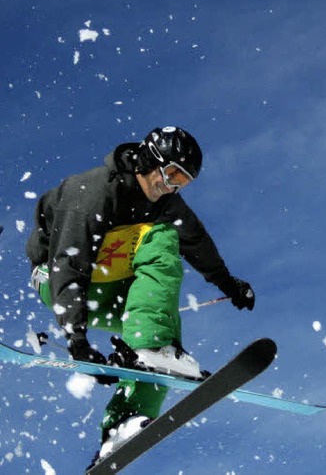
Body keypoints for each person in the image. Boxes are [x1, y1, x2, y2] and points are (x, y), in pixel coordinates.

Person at [26, 126, 255, 462]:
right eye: (172, 174)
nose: (172, 185)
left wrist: (228, 283)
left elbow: (197, 241)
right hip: (60, 280)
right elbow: (68, 264)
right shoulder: (91, 193)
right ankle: (150, 345)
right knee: (161, 236)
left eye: (184, 181)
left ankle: (125, 425)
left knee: (164, 323)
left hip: (104, 290)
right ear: (149, 159)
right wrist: (77, 338)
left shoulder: (166, 202)